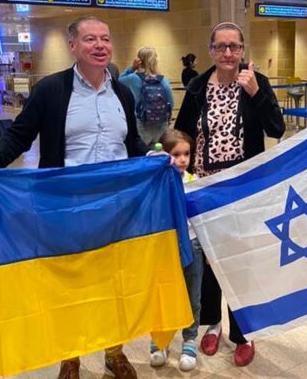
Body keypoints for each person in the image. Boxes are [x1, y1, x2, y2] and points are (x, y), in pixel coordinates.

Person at [0, 16, 148, 379]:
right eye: (90, 39)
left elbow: (131, 144)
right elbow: (19, 135)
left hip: (116, 206)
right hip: (68, 207)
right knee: (71, 283)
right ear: (73, 46)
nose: (100, 45)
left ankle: (114, 352)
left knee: (114, 282)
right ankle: (70, 356)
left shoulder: (123, 93)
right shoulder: (51, 90)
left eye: (105, 38)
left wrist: (156, 158)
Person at [174, 21, 285, 367]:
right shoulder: (197, 87)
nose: (227, 53)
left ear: (242, 49)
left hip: (242, 190)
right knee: (208, 261)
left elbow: (277, 128)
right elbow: (182, 133)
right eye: (220, 46)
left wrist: (256, 94)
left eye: (234, 46)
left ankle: (243, 331)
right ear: (211, 50)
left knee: (241, 261)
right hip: (205, 189)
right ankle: (213, 323)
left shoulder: (256, 81)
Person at [148, 129, 202, 372]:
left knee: (192, 296)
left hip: (192, 245)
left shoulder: (194, 181)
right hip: (164, 248)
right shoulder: (155, 184)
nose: (182, 159)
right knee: (162, 294)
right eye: (176, 154)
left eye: (186, 154)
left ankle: (190, 340)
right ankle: (161, 339)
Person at [119, 47, 175, 146]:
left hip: (141, 124)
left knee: (142, 152)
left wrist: (132, 68)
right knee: (160, 152)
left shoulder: (133, 78)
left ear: (139, 61)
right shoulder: (163, 80)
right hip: (161, 125)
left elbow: (118, 80)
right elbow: (171, 103)